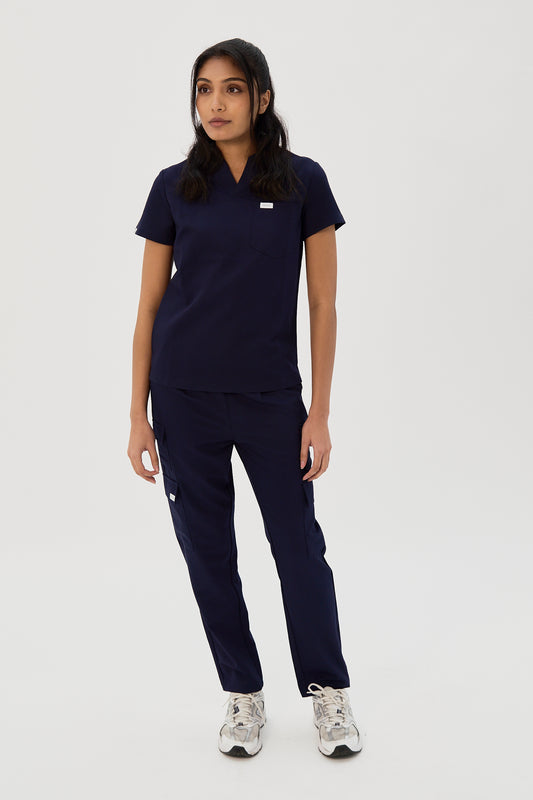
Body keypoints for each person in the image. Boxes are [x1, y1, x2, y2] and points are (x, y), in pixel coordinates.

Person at [127, 37, 363, 759]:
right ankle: (242, 693)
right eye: (204, 89)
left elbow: (322, 304)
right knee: (208, 552)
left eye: (231, 88)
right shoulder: (174, 185)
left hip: (270, 399)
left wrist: (319, 412)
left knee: (298, 548)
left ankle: (327, 690)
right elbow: (149, 307)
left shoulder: (302, 181)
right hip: (183, 397)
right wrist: (136, 413)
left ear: (261, 97)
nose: (216, 103)